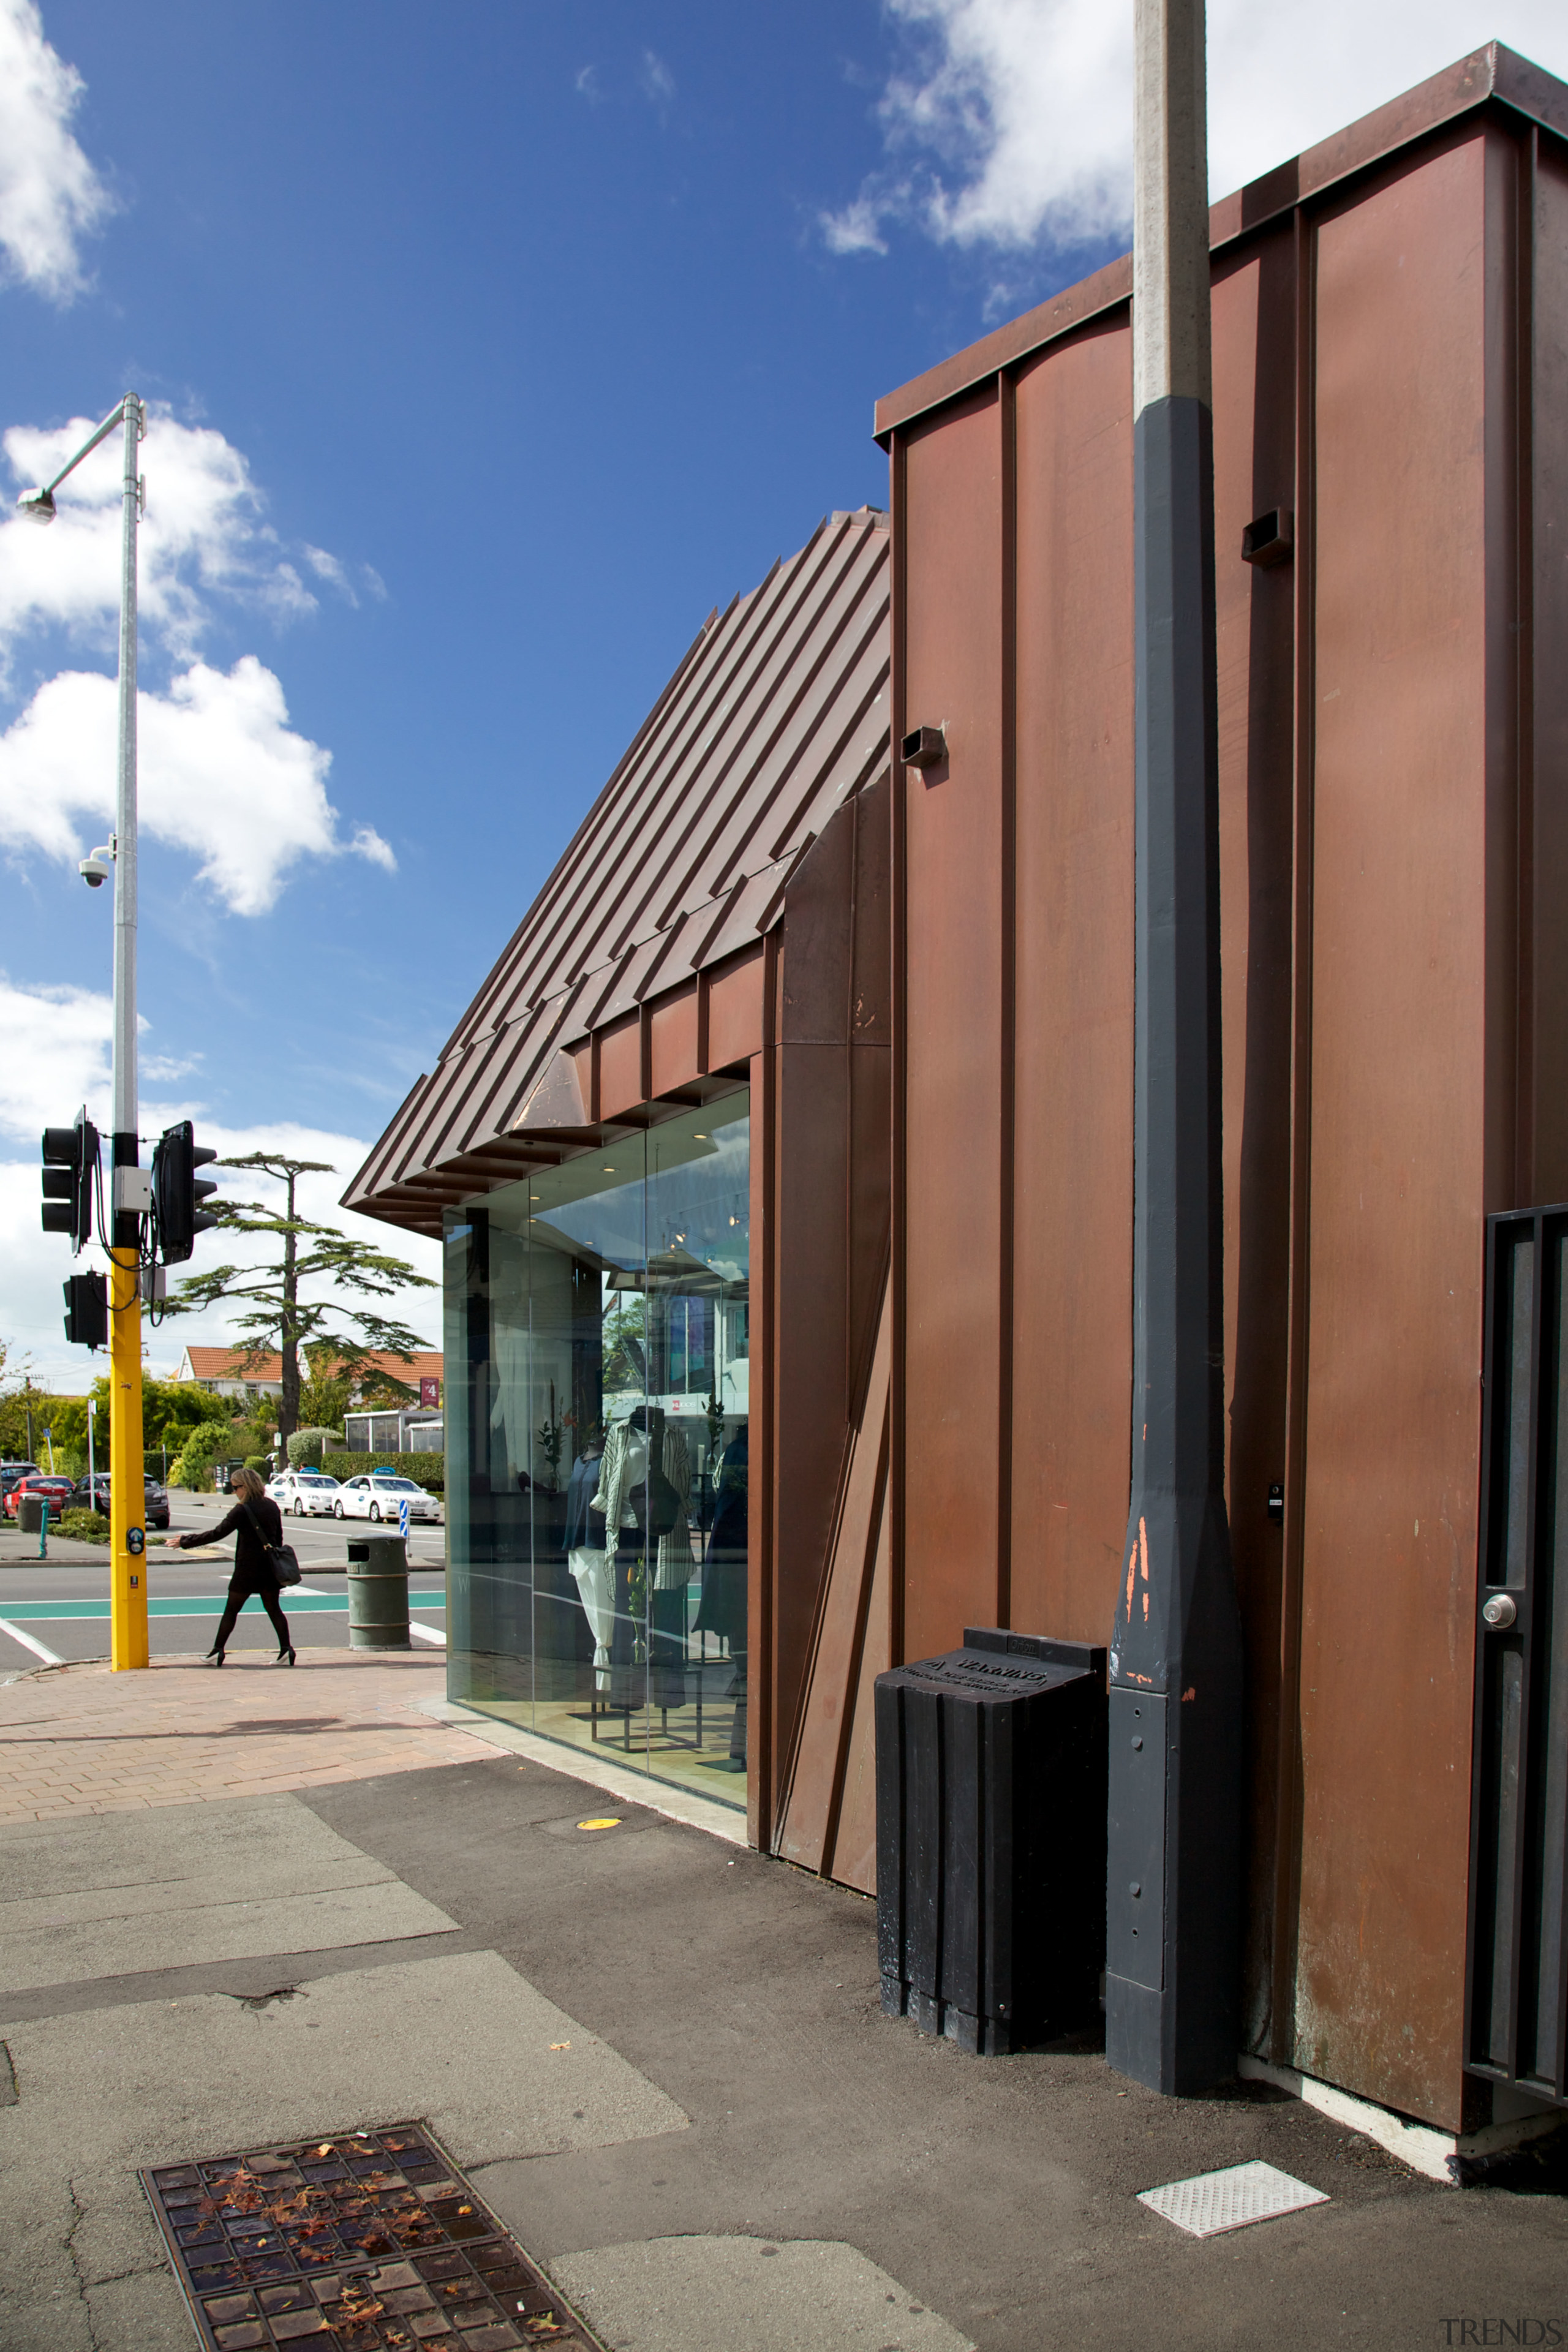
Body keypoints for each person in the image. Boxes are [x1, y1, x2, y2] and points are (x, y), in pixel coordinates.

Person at [175, 1466, 295, 1667]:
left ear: (245, 1487)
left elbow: (217, 1533)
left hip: (248, 1569)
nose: (234, 1492)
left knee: (231, 1611)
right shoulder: (272, 1506)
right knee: (274, 1609)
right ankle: (287, 1651)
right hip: (270, 1568)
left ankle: (217, 1651)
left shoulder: (242, 1510)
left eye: (236, 1487)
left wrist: (185, 1541)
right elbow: (278, 1538)